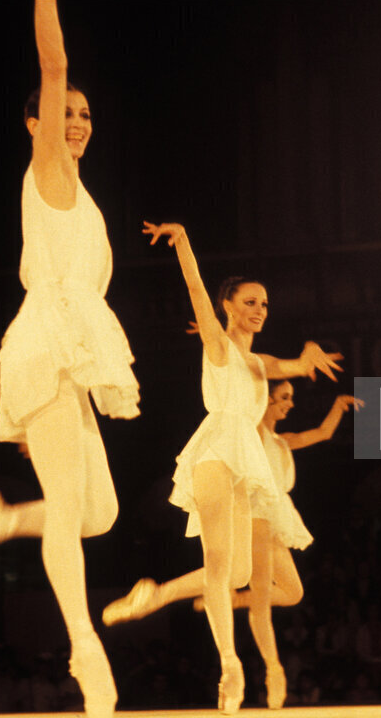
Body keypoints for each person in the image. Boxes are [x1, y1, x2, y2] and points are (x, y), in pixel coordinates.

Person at [0, 2, 139, 717]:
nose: (77, 120)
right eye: (65, 112)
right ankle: (85, 646)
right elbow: (53, 63)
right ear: (37, 123)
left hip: (71, 356)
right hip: (46, 343)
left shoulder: (82, 196)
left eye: (85, 113)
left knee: (99, 514)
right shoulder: (47, 167)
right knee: (69, 514)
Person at [102, 222, 341, 714]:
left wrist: (307, 357)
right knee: (218, 566)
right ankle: (230, 665)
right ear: (229, 306)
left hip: (245, 461)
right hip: (214, 451)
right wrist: (185, 240)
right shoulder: (217, 344)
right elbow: (194, 287)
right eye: (250, 302)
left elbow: (294, 366)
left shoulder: (260, 363)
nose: (259, 310)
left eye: (265, 304)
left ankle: (154, 595)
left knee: (236, 573)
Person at [197, 381, 362, 708]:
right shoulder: (254, 432)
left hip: (275, 517)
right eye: (284, 398)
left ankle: (231, 600)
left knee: (293, 592)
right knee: (261, 604)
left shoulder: (280, 440)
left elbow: (322, 434)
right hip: (257, 515)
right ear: (266, 399)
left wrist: (338, 406)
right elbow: (246, 402)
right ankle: (274, 670)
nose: (290, 404)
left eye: (291, 398)